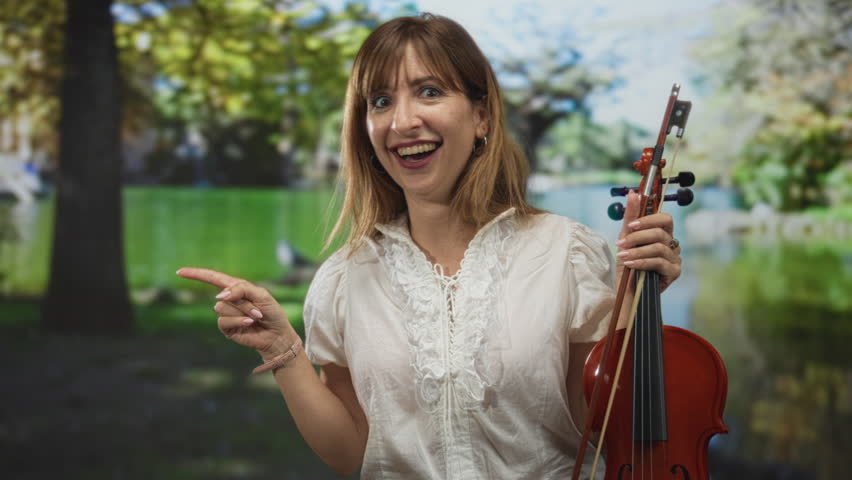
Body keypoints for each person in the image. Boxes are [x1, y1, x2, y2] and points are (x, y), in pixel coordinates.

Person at [177, 13, 682, 479]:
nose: (402, 122)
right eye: (380, 101)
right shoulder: (343, 278)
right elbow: (353, 450)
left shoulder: (564, 254)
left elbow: (594, 430)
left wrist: (632, 299)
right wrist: (282, 349)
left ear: (481, 117)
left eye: (429, 91)